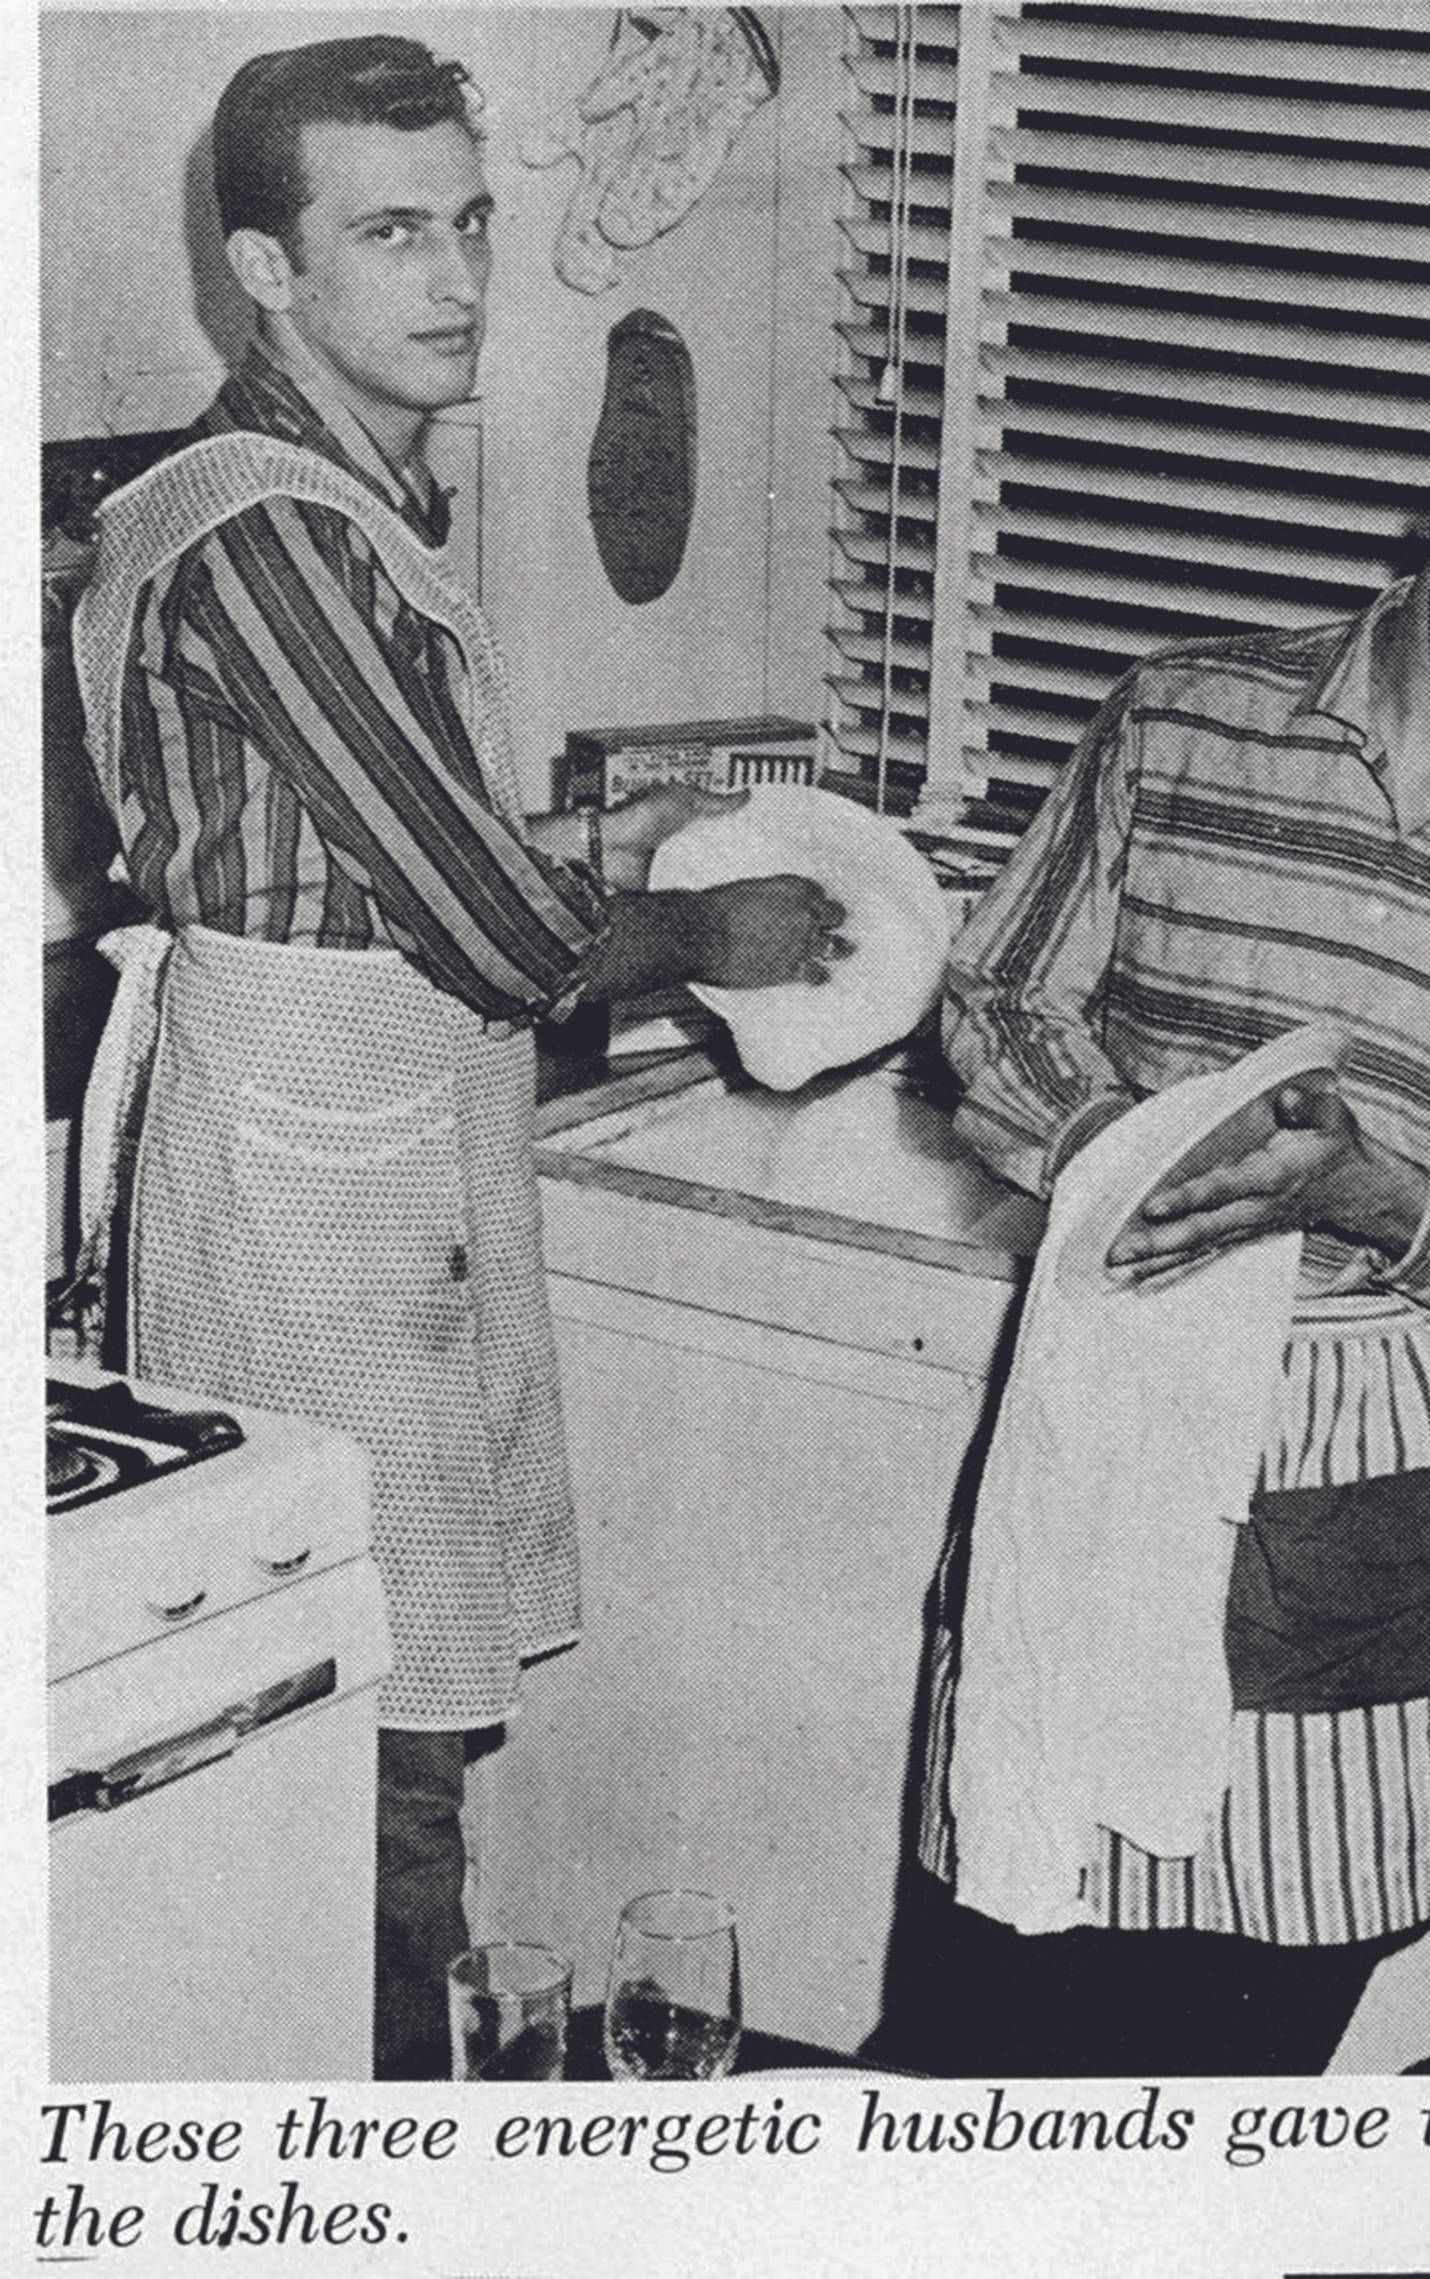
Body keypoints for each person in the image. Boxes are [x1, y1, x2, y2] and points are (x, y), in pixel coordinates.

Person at [69, 35, 849, 2079]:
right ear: (263, 265)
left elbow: (430, 849)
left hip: (389, 1172)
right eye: (389, 230)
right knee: (365, 1762)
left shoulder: (366, 503)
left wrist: (618, 859)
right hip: (306, 1216)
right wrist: (701, 924)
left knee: (410, 1735)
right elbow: (498, 923)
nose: (454, 275)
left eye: (469, 222)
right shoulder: (269, 541)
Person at [901, 334, 1430, 2074]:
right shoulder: (1185, 708)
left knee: (1227, 2074)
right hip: (1108, 1385)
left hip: (1377, 1445)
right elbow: (996, 1003)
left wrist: (1378, 1195)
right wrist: (1147, 1149)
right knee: (981, 2001)